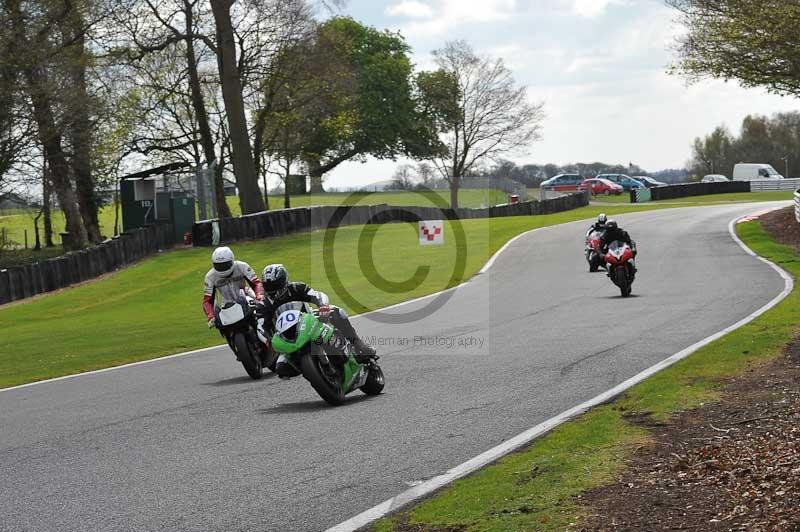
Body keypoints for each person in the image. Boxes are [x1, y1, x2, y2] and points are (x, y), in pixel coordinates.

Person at [257, 263, 376, 369]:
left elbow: (317, 295)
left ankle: (358, 343)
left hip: (310, 321)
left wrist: (323, 306)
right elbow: (260, 326)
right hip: (287, 337)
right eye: (269, 286)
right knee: (281, 368)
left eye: (276, 285)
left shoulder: (296, 288)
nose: (273, 290)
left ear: (284, 281)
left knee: (337, 312)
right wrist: (268, 340)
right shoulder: (264, 304)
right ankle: (316, 372)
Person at [202, 246, 264, 328]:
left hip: (246, 296)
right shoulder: (210, 276)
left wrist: (259, 295)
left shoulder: (242, 266)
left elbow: (256, 283)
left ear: (232, 260)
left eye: (225, 265)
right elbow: (207, 300)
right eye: (219, 266)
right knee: (221, 325)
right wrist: (210, 315)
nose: (222, 268)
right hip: (226, 303)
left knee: (261, 316)